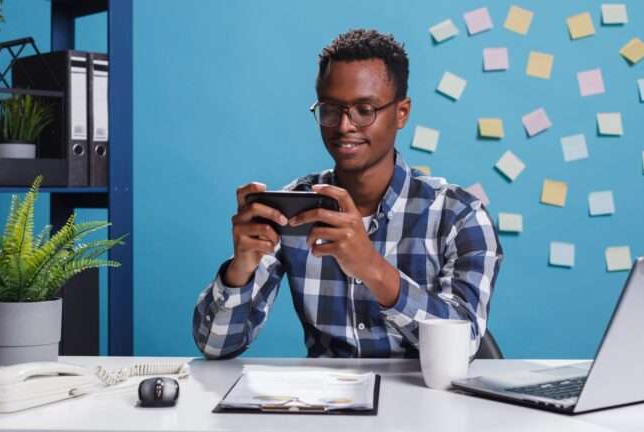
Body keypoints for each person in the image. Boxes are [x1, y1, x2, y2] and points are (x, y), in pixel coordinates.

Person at [193, 29, 503, 359]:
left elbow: (464, 344)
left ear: (402, 113)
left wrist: (371, 267)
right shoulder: (291, 211)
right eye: (330, 109)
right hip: (325, 406)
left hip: (426, 403)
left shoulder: (460, 216)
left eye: (364, 110)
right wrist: (240, 267)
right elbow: (215, 346)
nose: (343, 126)